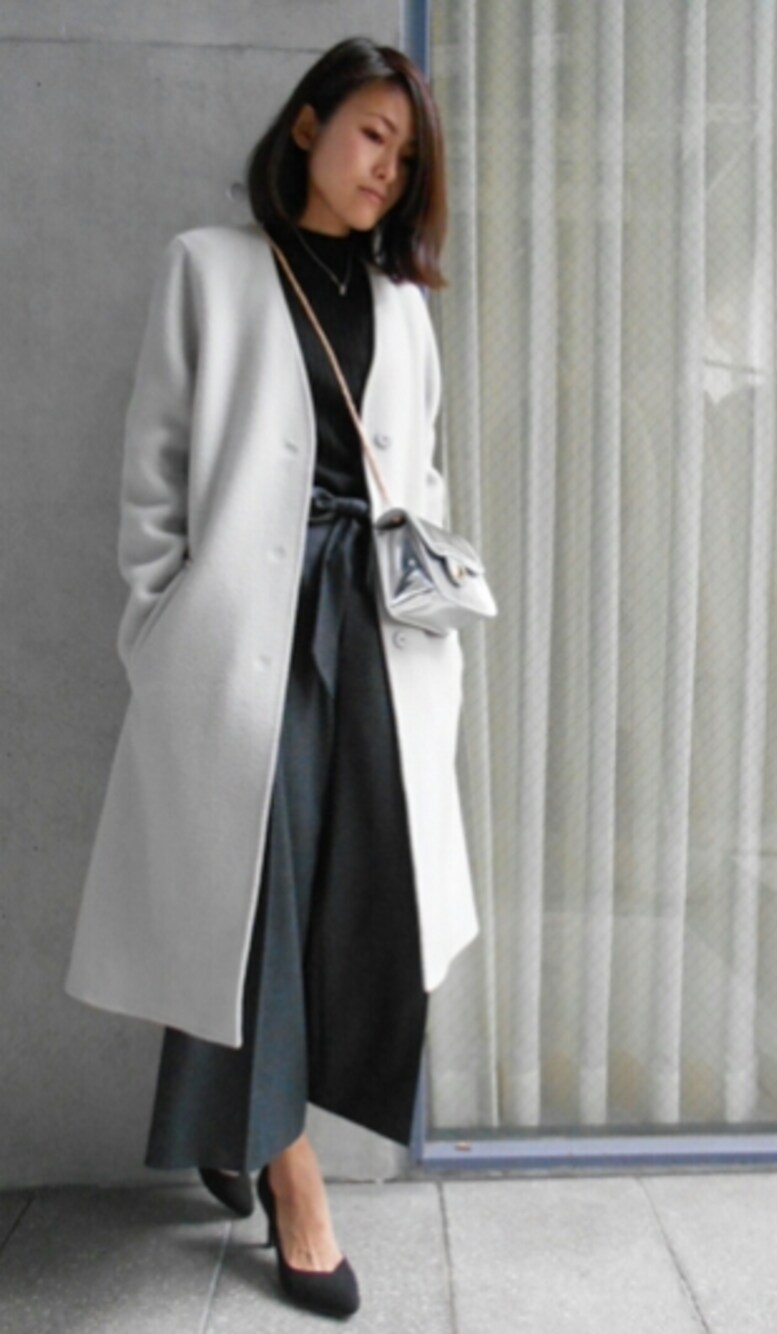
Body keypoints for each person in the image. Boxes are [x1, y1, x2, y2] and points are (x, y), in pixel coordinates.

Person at [65, 36, 480, 1320]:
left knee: (330, 896)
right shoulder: (209, 268)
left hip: (373, 632)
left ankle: (225, 1116)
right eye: (370, 134)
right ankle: (295, 1186)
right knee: (255, 892)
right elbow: (154, 478)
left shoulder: (402, 305)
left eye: (405, 155)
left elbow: (421, 474)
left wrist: (431, 618)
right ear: (307, 126)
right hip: (242, 635)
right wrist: (160, 630)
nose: (385, 168)